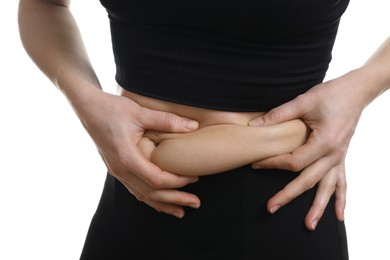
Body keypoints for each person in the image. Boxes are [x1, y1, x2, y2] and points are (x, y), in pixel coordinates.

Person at [17, 0, 390, 259]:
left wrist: (361, 87)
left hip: (285, 202)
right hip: (137, 195)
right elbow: (44, 5)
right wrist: (85, 100)